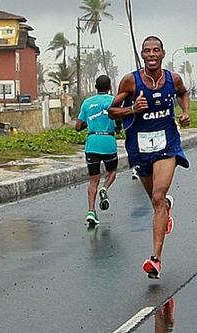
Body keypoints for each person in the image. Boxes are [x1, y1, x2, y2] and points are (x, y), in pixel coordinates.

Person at [109, 36, 190, 279]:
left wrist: (185, 112)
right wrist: (132, 109)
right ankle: (165, 208)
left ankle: (155, 259)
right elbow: (112, 111)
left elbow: (183, 94)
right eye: (147, 51)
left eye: (156, 50)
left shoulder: (173, 79)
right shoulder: (130, 81)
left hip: (167, 145)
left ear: (163, 53)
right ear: (142, 55)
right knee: (155, 200)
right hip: (139, 148)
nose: (152, 54)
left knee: (157, 196)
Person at [75, 75, 118, 225]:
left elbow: (78, 126)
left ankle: (91, 211)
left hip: (92, 142)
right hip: (108, 141)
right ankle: (105, 188)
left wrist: (90, 123)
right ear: (110, 87)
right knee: (112, 172)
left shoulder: (87, 103)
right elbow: (118, 122)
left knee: (93, 180)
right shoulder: (114, 100)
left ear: (95, 87)